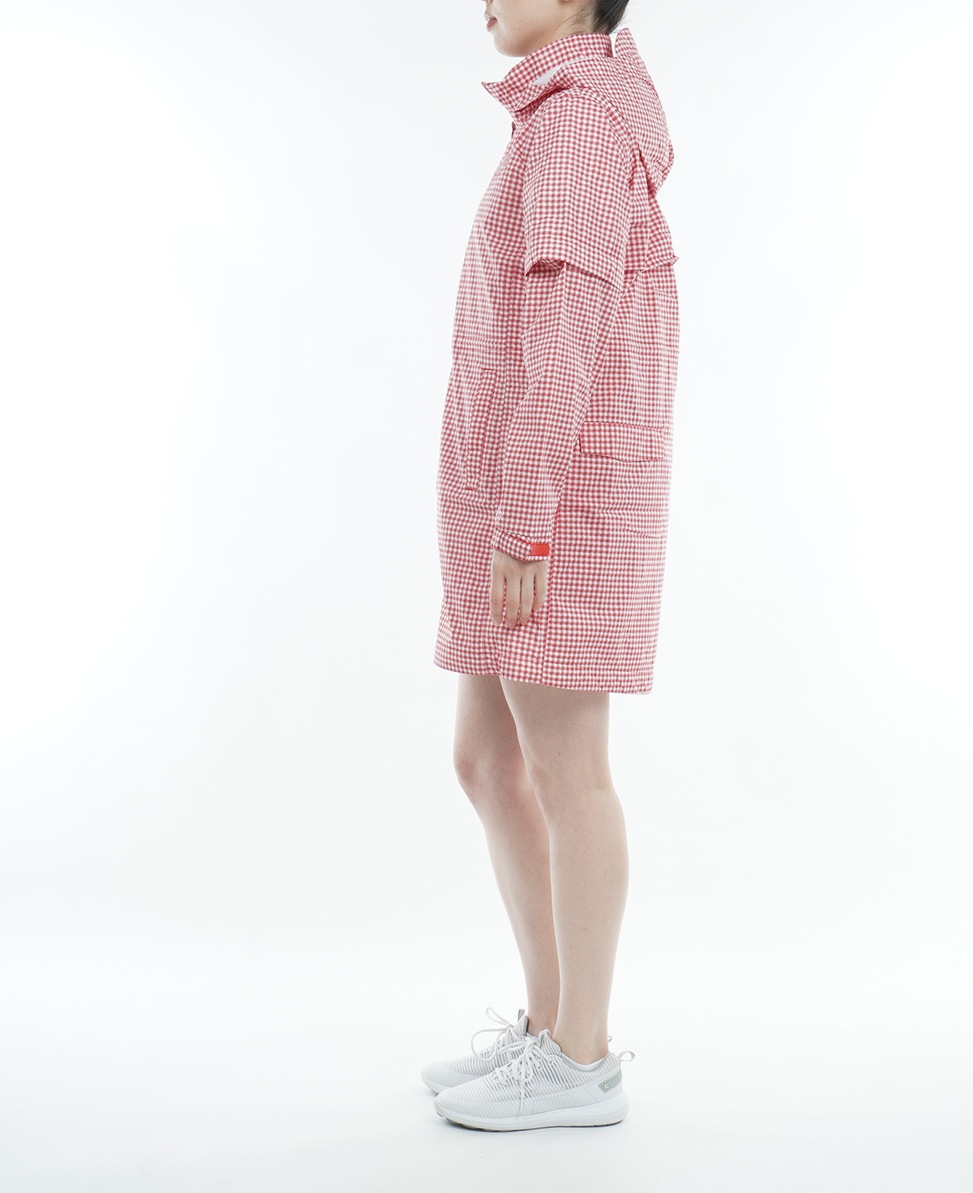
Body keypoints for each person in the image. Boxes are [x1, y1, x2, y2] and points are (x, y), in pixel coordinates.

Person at [423, 0, 679, 1132]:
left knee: (570, 776)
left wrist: (524, 519)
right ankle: (548, 1029)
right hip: (516, 506)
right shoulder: (562, 115)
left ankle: (584, 1061)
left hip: (553, 513)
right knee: (488, 760)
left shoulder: (579, 121)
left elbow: (566, 334)